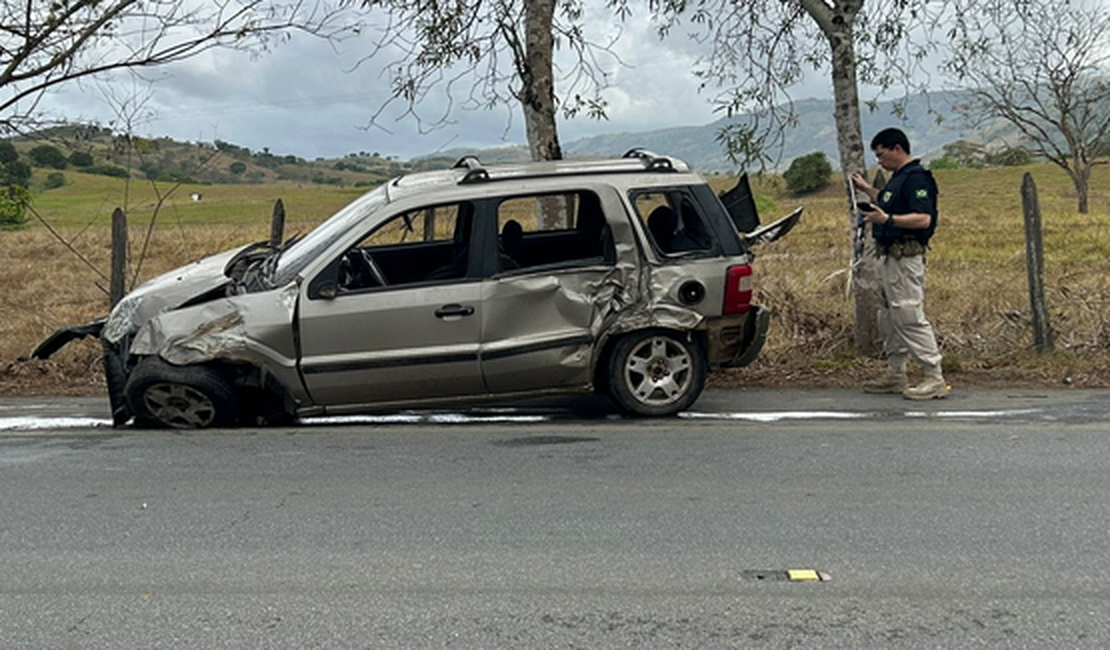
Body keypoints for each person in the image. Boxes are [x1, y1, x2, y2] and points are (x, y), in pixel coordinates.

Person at [850, 127, 947, 400]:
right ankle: (896, 373)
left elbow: (923, 219)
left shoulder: (917, 179)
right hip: (888, 256)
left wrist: (887, 221)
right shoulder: (897, 180)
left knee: (908, 314)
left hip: (905, 257)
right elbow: (888, 202)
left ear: (897, 149)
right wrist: (868, 190)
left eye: (881, 155)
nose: (879, 161)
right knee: (889, 317)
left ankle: (933, 376)